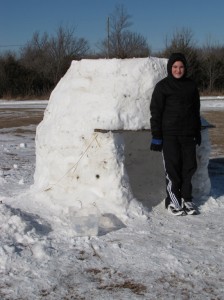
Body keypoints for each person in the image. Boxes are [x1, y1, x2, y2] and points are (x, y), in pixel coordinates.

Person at [150, 53, 201, 216]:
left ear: (185, 68)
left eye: (181, 67)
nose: (178, 70)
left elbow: (195, 111)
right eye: (175, 67)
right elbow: (156, 112)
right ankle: (173, 200)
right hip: (169, 135)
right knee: (172, 169)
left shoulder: (191, 86)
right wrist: (157, 136)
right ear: (170, 68)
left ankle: (187, 198)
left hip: (188, 135)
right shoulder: (162, 87)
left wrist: (197, 131)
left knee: (189, 167)